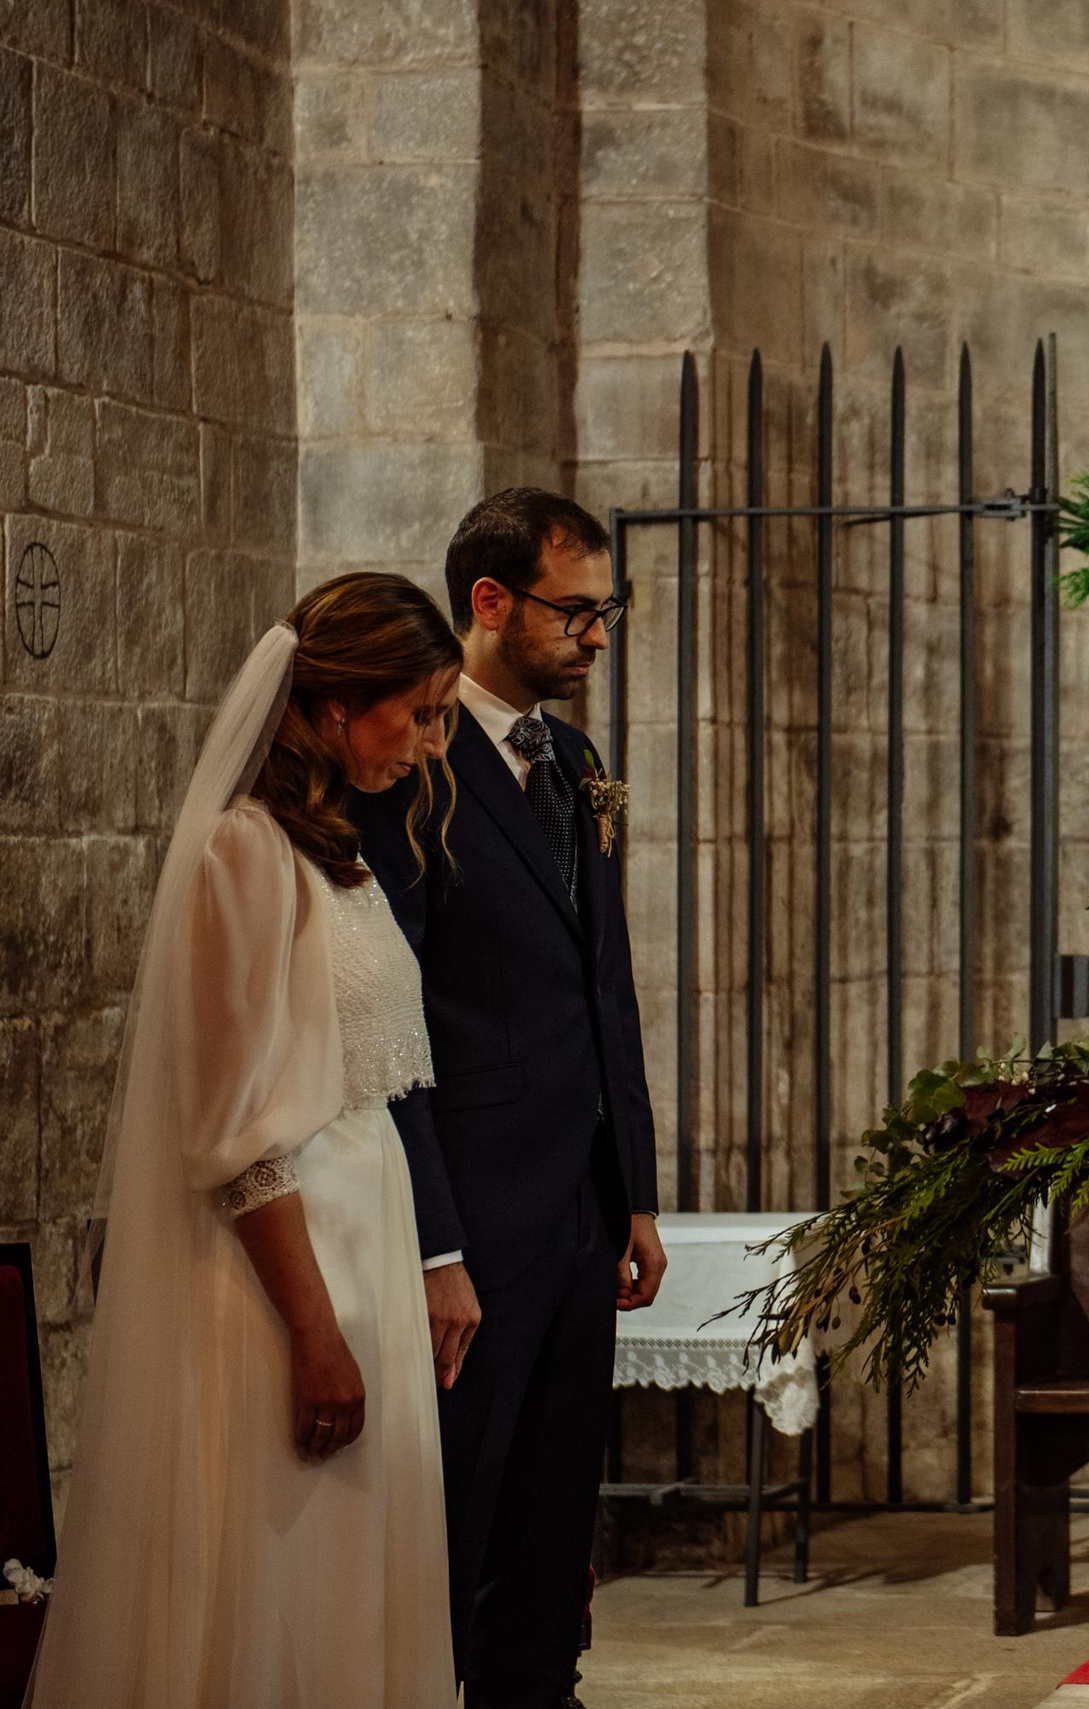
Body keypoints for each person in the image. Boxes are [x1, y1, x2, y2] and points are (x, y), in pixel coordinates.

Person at [30, 574, 464, 1706]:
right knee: (290, 1571)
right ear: (330, 706)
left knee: (359, 1567)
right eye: (411, 712)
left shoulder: (335, 850)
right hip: (288, 1274)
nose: (426, 743)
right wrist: (316, 1332)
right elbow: (230, 1131)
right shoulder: (243, 852)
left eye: (437, 714)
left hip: (365, 1240)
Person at [355, 487, 665, 1709]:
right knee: (463, 1498)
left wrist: (632, 1188)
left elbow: (608, 984)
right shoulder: (409, 763)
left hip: (581, 1205)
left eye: (607, 611)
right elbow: (386, 1016)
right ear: (489, 602)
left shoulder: (573, 760)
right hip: (474, 1209)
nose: (597, 636)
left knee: (554, 1494)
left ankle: (545, 1689)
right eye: (576, 611)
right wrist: (432, 1234)